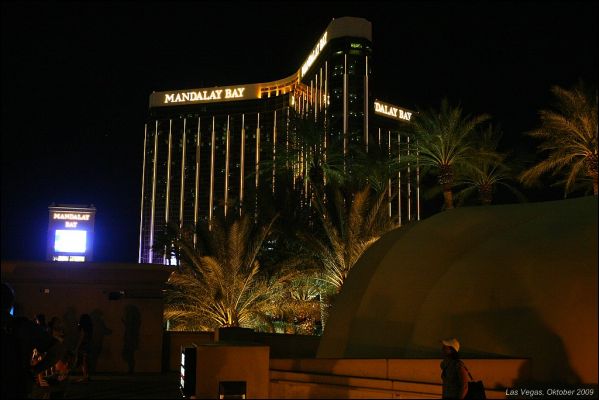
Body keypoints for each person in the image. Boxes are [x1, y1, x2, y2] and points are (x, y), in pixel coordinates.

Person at [1, 282, 59, 399]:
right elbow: (57, 349)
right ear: (11, 304)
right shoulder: (24, 327)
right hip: (17, 387)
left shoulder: (23, 326)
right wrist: (34, 371)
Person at [74, 313, 93, 382]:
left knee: (83, 362)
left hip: (83, 346)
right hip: (88, 345)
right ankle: (86, 376)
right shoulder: (90, 328)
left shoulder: (83, 328)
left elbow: (81, 338)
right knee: (86, 361)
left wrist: (76, 348)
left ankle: (85, 376)